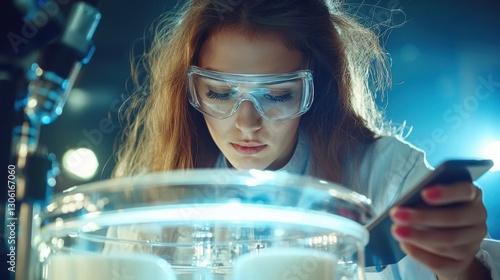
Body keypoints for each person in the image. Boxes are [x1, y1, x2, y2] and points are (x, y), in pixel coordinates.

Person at [107, 0, 500, 279]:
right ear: (189, 92)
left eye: (277, 95)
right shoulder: (150, 208)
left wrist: (462, 268)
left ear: (317, 91)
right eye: (219, 93)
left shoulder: (386, 178)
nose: (246, 123)